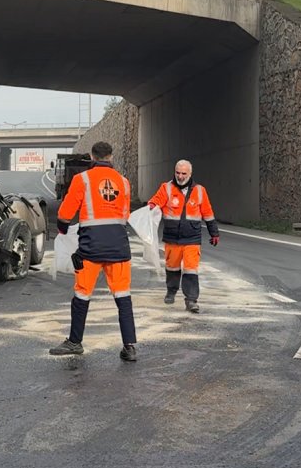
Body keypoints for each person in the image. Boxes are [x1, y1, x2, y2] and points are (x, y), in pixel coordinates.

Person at [49, 141, 138, 361]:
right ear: (111, 156)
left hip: (90, 248)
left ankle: (75, 342)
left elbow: (64, 215)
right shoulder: (124, 183)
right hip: (119, 247)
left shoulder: (82, 180)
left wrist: (63, 232)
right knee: (123, 296)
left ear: (91, 156)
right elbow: (125, 215)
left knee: (82, 294)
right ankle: (129, 347)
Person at [146, 159, 218, 312]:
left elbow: (208, 213)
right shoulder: (166, 188)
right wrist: (151, 206)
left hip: (192, 237)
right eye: (177, 173)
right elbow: (155, 201)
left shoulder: (200, 191)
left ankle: (191, 300)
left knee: (191, 269)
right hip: (172, 237)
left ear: (190, 174)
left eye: (183, 173)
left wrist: (214, 233)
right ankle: (171, 291)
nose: (180, 176)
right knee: (172, 267)